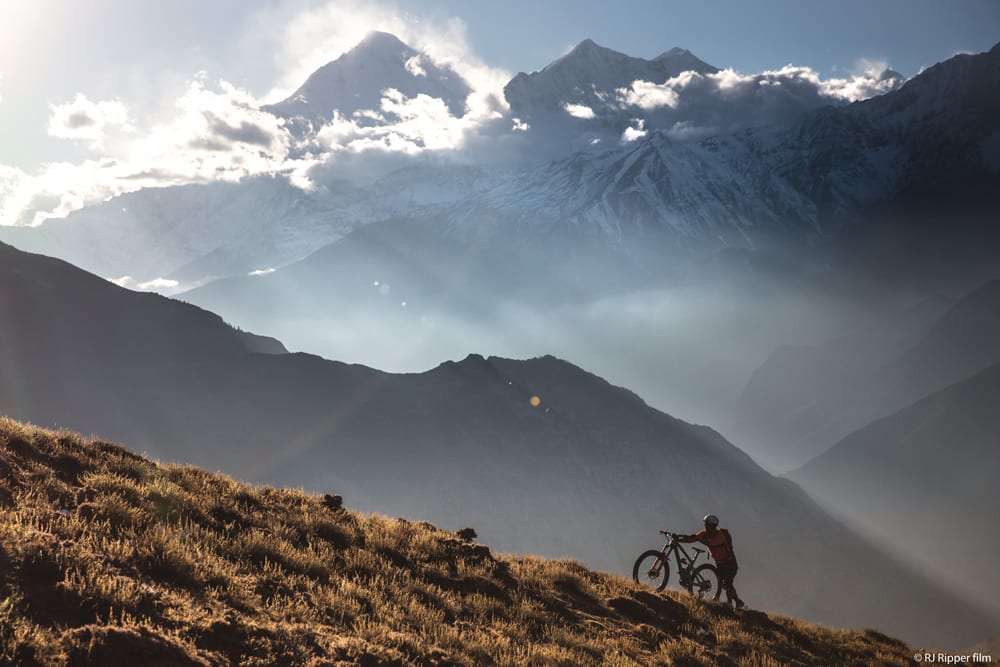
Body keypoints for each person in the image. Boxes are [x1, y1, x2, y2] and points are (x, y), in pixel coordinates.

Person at [677, 514, 745, 609]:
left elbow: (710, 543)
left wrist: (697, 538)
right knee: (723, 584)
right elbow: (691, 539)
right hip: (719, 563)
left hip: (730, 563)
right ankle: (737, 602)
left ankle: (731, 603)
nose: (705, 526)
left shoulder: (720, 535)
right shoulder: (704, 533)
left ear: (713, 526)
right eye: (705, 524)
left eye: (707, 525)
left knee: (727, 583)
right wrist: (678, 539)